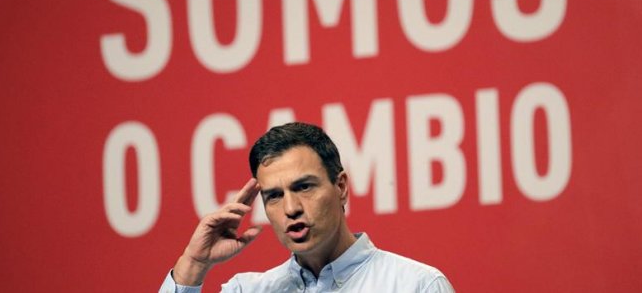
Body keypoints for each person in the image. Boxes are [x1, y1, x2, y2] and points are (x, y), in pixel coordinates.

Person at [159, 122, 454, 292]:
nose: (291, 208)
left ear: (340, 187)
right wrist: (193, 265)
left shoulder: (416, 285)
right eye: (274, 196)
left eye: (304, 187)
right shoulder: (246, 291)